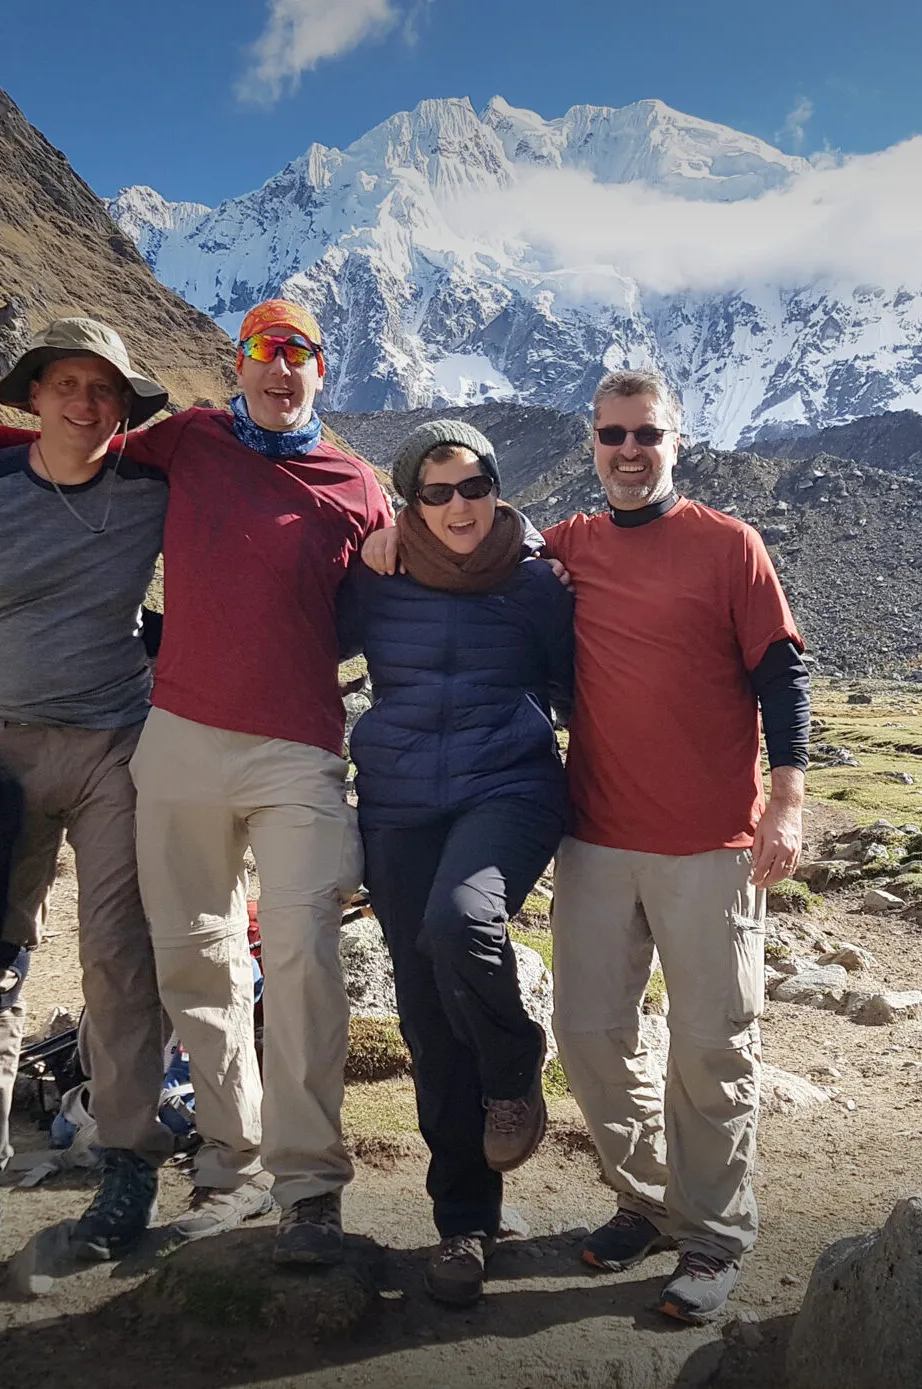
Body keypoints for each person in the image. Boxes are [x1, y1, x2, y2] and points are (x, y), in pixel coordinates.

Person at [0, 299, 392, 1265]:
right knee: (194, 957)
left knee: (302, 955)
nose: (279, 369)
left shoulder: (359, 486)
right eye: (264, 351)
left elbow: (381, 611)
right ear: (239, 362)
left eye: (298, 354)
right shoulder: (190, 439)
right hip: (175, 739)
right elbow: (81, 438)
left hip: (299, 749)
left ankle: (309, 1182)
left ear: (321, 372)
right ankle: (229, 1161)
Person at [0, 317, 178, 1278]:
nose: (86, 403)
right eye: (67, 384)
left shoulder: (150, 487)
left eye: (105, 389)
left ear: (124, 405)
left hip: (115, 752)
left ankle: (128, 1163)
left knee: (120, 956)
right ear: (34, 393)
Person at [536, 370, 806, 1324]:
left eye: (645, 433)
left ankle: (714, 1233)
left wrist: (787, 801)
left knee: (712, 1044)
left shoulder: (730, 547)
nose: (628, 449)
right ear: (593, 443)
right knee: (590, 1033)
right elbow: (478, 553)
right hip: (597, 838)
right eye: (611, 434)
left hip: (711, 845)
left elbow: (782, 676)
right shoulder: (566, 546)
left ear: (674, 442)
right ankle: (646, 1199)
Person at [338, 420, 573, 1306]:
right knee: (427, 1013)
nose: (458, 505)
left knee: (461, 919)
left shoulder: (537, 579)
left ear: (496, 488)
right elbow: (298, 637)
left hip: (507, 790)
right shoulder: (379, 576)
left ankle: (516, 1067)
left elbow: (588, 688)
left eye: (473, 485)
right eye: (435, 492)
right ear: (409, 501)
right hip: (399, 803)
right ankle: (465, 1223)